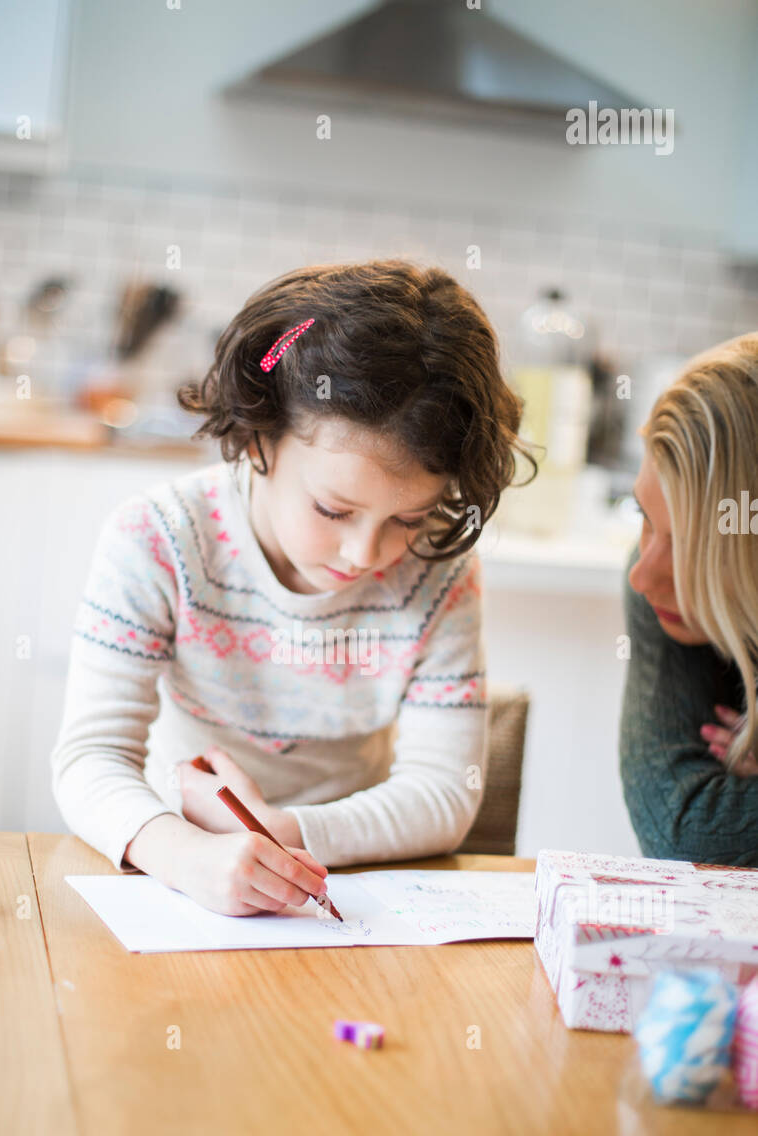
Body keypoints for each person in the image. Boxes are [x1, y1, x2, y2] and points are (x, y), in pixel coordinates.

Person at [51, 259, 534, 914]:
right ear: (259, 438)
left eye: (409, 518)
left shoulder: (438, 573)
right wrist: (186, 854)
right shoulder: (159, 539)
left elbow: (446, 793)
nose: (366, 554)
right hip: (179, 874)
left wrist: (287, 834)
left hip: (349, 884)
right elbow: (90, 759)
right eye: (333, 511)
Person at [620, 333, 758, 865]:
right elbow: (685, 829)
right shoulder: (659, 592)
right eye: (644, 520)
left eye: (693, 552)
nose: (643, 576)